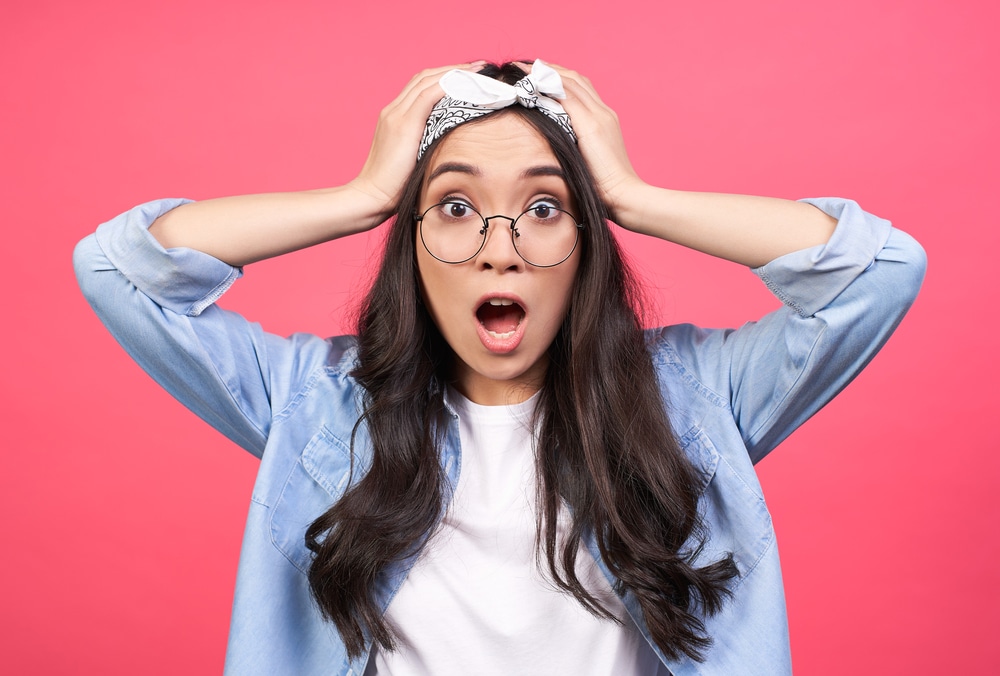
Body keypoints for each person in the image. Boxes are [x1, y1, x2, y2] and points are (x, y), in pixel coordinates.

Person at [74, 60, 926, 675]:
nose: (498, 252)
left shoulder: (695, 398)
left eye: (545, 208)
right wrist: (365, 197)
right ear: (412, 246)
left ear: (584, 243)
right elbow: (120, 271)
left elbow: (877, 273)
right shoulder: (315, 404)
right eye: (454, 207)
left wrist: (631, 197)